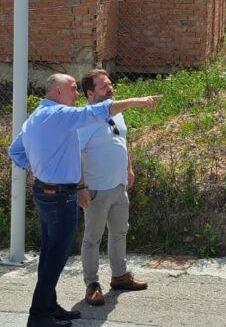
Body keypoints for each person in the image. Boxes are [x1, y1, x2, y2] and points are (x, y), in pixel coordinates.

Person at [8, 73, 160, 327]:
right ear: (58, 91)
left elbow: (15, 151)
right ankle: (39, 316)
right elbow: (99, 111)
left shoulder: (38, 116)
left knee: (50, 254)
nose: (76, 93)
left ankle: (49, 307)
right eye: (73, 88)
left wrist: (40, 169)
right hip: (59, 196)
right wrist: (138, 101)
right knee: (55, 258)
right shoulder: (59, 114)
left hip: (47, 191)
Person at [76, 69, 148, 307]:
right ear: (90, 93)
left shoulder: (115, 112)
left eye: (109, 84)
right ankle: (92, 284)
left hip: (118, 186)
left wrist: (129, 168)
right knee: (92, 238)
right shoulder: (85, 119)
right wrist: (81, 187)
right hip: (96, 189)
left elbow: (122, 140)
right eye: (104, 86)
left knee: (119, 232)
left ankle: (119, 276)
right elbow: (74, 155)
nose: (110, 88)